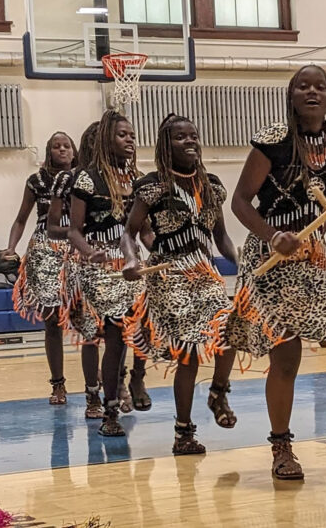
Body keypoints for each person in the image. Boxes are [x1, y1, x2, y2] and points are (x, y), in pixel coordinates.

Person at [212, 65, 326, 480]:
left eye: (320, 86)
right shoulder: (273, 141)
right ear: (291, 95)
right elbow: (240, 202)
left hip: (311, 258)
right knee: (286, 353)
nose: (311, 91)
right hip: (269, 260)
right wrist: (272, 235)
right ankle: (282, 447)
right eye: (302, 85)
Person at [121, 114, 239, 454]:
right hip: (168, 273)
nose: (189, 142)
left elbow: (222, 237)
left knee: (228, 330)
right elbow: (129, 233)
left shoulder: (212, 186)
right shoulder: (152, 185)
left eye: (193, 136)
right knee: (189, 352)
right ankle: (184, 432)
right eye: (180, 137)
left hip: (204, 269)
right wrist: (131, 260)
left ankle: (218, 392)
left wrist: (242, 263)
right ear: (165, 145)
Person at [67, 110, 148, 436]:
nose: (129, 140)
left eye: (131, 135)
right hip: (100, 266)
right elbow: (73, 230)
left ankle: (137, 378)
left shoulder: (139, 180)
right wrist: (90, 252)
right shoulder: (87, 179)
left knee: (146, 327)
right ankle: (109, 410)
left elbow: (145, 230)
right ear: (106, 139)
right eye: (122, 135)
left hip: (131, 260)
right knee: (115, 337)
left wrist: (162, 249)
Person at [7, 131, 79, 405]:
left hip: (78, 245)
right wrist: (11, 248)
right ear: (48, 152)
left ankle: (98, 381)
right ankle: (58, 384)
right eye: (56, 146)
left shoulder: (84, 178)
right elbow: (20, 219)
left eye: (66, 145)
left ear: (74, 151)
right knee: (52, 319)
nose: (62, 150)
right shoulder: (36, 181)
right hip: (45, 248)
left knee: (88, 317)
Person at [47, 122, 105, 418]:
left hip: (119, 260)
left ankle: (122, 383)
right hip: (82, 261)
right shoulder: (71, 179)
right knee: (91, 333)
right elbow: (54, 227)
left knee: (123, 332)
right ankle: (92, 394)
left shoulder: (123, 178)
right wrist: (81, 239)